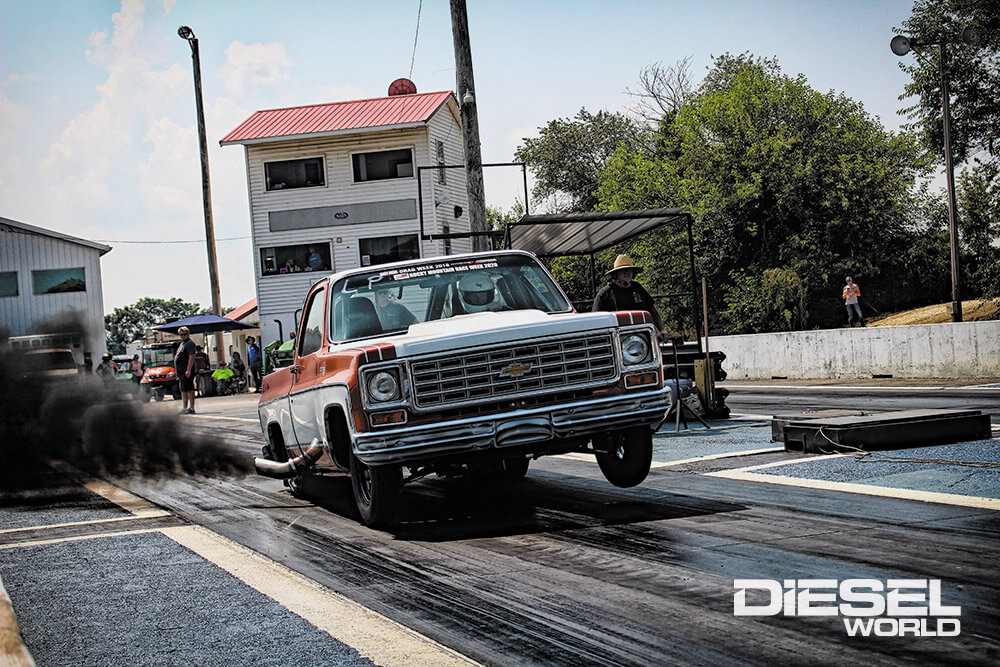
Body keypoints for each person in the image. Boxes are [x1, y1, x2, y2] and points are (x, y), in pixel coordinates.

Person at [592, 255, 665, 335]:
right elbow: (596, 319)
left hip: (641, 336)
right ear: (616, 274)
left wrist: (661, 330)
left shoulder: (638, 288)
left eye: (629, 270)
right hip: (618, 337)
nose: (627, 273)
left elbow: (652, 310)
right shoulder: (605, 293)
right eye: (623, 270)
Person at [174, 326, 198, 414]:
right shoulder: (182, 344)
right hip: (181, 372)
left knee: (189, 389)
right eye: (181, 335)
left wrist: (188, 370)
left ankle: (191, 407)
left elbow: (191, 357)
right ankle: (184, 407)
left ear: (188, 334)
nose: (182, 336)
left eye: (184, 334)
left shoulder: (189, 343)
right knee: (183, 390)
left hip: (186, 371)